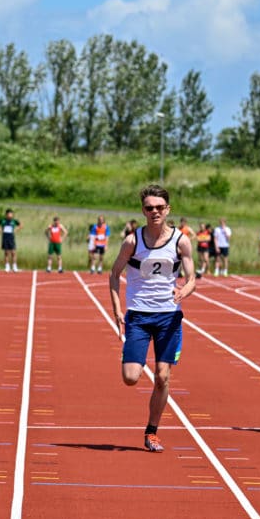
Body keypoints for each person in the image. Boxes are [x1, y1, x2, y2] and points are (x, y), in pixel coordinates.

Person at [109, 184, 196, 453]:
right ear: (143, 211)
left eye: (159, 207)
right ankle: (134, 355)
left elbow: (192, 278)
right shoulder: (133, 241)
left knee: (162, 376)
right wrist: (116, 309)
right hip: (138, 315)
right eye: (149, 208)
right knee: (131, 377)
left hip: (168, 317)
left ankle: (152, 431)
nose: (154, 212)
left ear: (167, 209)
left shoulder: (180, 240)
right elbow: (114, 275)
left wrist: (183, 290)